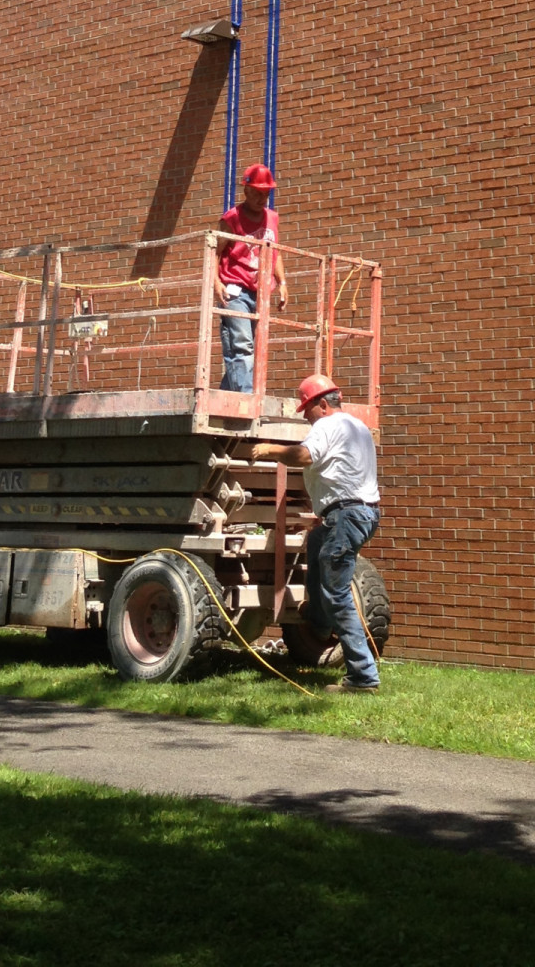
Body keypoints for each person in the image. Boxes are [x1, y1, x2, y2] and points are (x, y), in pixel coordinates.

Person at [249, 371, 381, 692]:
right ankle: (318, 623)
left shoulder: (327, 425)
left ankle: (363, 677)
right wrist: (326, 513)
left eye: (307, 410)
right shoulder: (358, 427)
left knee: (337, 596)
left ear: (322, 405)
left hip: (347, 514)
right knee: (318, 541)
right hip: (363, 512)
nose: (307, 418)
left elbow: (305, 455)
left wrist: (269, 450)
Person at [216, 163, 287, 393]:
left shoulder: (272, 219)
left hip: (260, 291)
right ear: (245, 190)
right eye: (257, 192)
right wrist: (216, 283)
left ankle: (224, 394)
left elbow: (274, 252)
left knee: (253, 348)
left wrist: (283, 283)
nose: (262, 198)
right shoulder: (231, 218)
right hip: (234, 288)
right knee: (242, 345)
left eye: (266, 193)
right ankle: (246, 398)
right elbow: (215, 251)